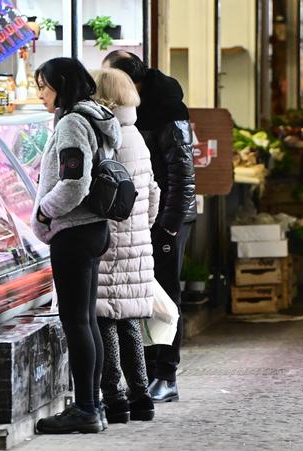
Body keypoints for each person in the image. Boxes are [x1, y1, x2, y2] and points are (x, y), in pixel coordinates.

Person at [31, 57, 121, 434]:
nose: (40, 95)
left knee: (77, 321)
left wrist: (43, 213)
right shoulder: (97, 115)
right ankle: (94, 404)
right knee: (86, 320)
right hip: (94, 228)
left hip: (73, 230)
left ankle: (85, 408)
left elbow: (74, 182)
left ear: (62, 85)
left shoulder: (71, 123)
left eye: (45, 87)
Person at [103, 50, 196, 403]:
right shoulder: (130, 110)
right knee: (141, 295)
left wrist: (170, 227)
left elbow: (182, 173)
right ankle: (144, 373)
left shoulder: (168, 109)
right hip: (144, 215)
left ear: (130, 81)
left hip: (171, 216)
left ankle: (167, 375)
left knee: (166, 295)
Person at [91, 68, 161, 424]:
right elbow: (152, 192)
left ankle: (115, 399)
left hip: (109, 239)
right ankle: (142, 396)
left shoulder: (108, 133)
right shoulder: (136, 134)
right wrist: (141, 227)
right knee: (130, 319)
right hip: (135, 238)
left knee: (105, 319)